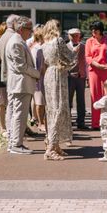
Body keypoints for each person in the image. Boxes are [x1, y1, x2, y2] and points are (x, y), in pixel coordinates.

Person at [42, 19, 77, 160]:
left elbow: (47, 61)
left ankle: (55, 144)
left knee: (51, 109)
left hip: (49, 74)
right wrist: (75, 51)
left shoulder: (45, 44)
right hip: (58, 75)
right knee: (59, 108)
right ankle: (51, 147)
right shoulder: (58, 41)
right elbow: (69, 57)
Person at [5, 16, 41, 154]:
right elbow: (21, 66)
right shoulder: (16, 42)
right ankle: (16, 144)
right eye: (29, 29)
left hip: (19, 84)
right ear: (21, 29)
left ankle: (14, 142)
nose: (31, 32)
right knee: (19, 114)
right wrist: (37, 74)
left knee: (16, 114)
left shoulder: (19, 41)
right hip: (20, 85)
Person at [86, 21, 107, 129]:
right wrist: (98, 65)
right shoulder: (89, 41)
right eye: (92, 29)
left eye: (95, 29)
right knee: (95, 96)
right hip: (94, 71)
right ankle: (95, 123)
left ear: (101, 29)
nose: (93, 31)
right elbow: (88, 57)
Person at [67, 28, 88, 130]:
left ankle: (81, 122)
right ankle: (68, 121)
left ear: (80, 36)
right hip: (69, 77)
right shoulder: (65, 47)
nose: (75, 37)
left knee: (81, 100)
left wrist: (86, 75)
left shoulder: (84, 46)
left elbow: (86, 62)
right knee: (68, 100)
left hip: (81, 76)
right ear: (69, 36)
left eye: (77, 35)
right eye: (72, 35)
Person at [29, 25, 47, 133]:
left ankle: (41, 121)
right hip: (38, 78)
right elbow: (35, 65)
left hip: (43, 77)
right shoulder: (35, 48)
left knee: (42, 102)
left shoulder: (43, 47)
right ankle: (40, 122)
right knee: (39, 102)